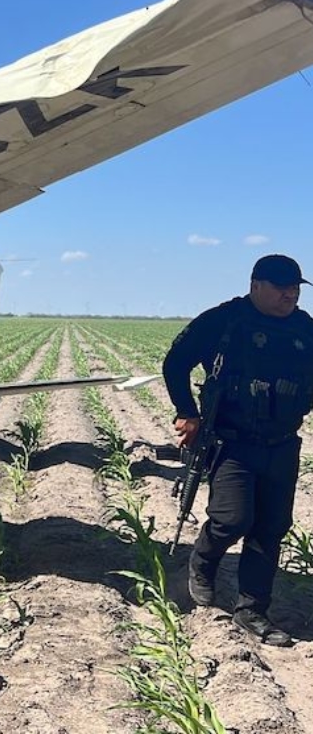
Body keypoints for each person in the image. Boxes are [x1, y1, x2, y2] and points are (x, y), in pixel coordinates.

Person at [163, 254, 313, 647]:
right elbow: (175, 362)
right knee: (232, 519)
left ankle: (252, 611)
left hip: (282, 444)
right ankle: (203, 562)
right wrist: (186, 412)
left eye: (295, 287)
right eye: (281, 287)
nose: (290, 294)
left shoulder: (304, 327)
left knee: (271, 528)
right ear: (256, 285)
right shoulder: (224, 320)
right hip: (232, 441)